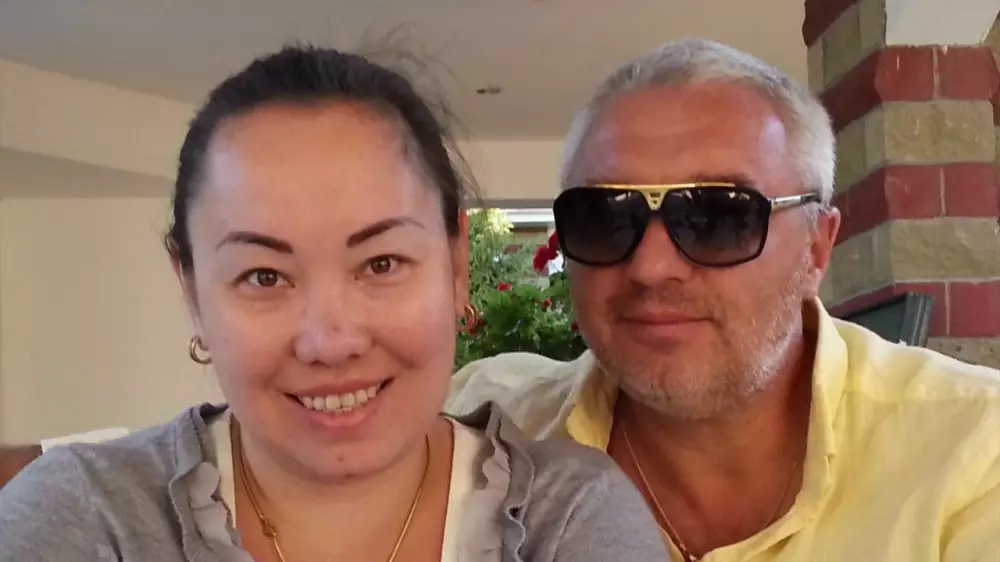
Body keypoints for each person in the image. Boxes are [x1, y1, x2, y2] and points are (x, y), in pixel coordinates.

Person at [0, 45, 667, 562]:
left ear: (456, 265)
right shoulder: (87, 517)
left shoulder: (568, 519)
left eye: (381, 263)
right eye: (264, 276)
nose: (331, 341)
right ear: (192, 291)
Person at [447, 38, 1000, 561]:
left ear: (816, 247)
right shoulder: (487, 427)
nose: (651, 268)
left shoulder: (973, 452)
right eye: (605, 219)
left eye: (718, 217)